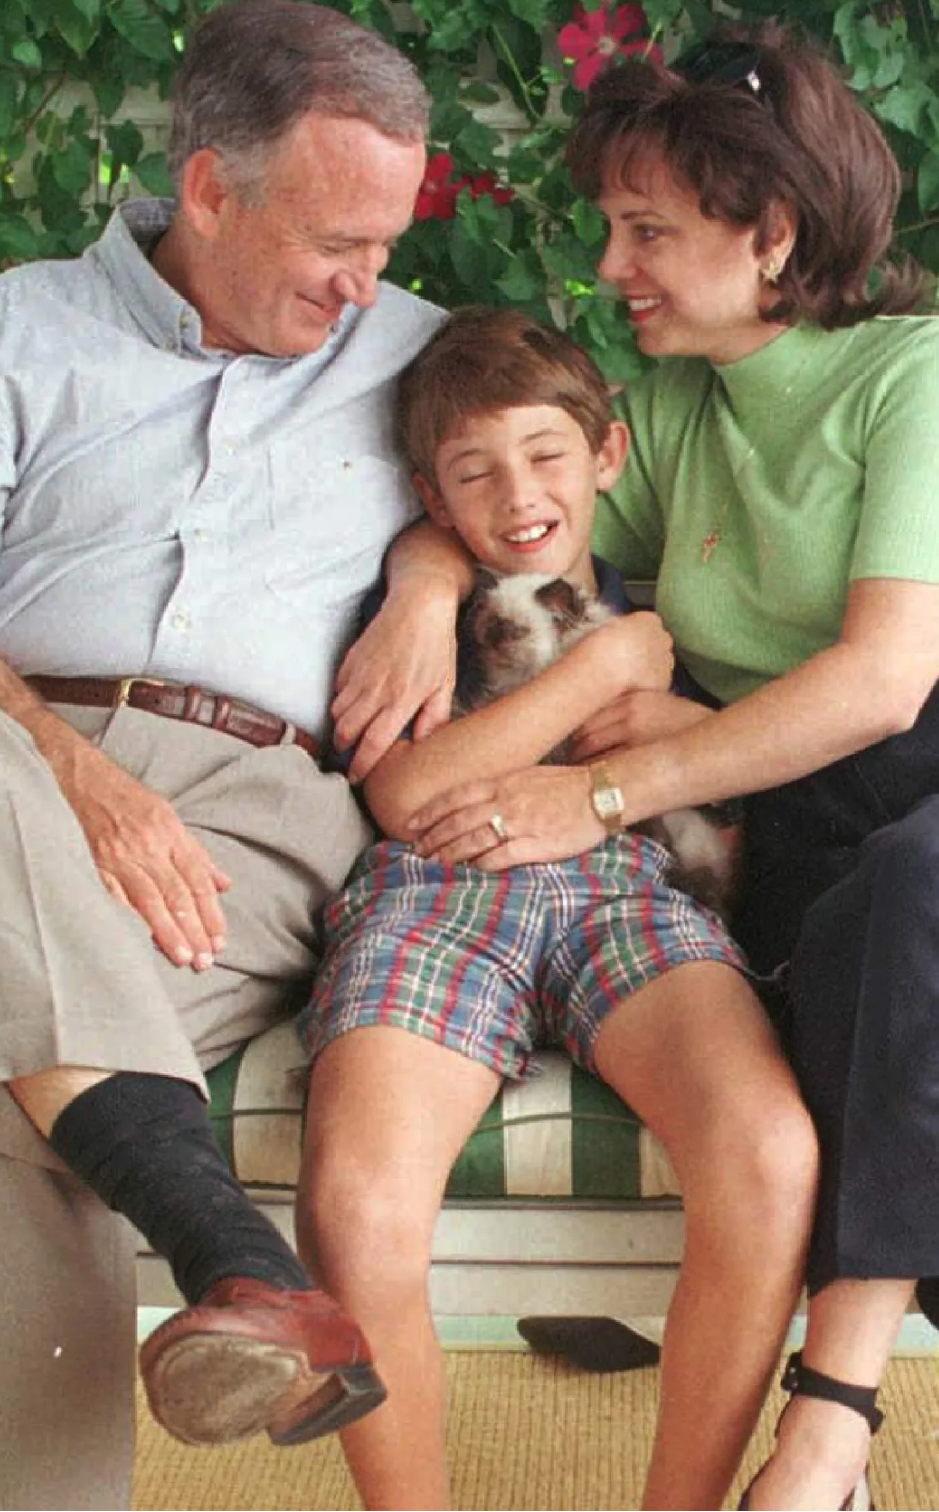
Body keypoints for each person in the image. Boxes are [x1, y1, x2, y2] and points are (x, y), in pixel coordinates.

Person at [336, 23, 939, 1512]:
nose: (615, 268)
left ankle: (831, 1420)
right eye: (616, 229)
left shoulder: (924, 371)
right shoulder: (669, 411)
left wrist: (606, 791)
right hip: (831, 844)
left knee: (923, 891)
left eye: (649, 232)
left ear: (773, 231)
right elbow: (520, 502)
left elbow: (882, 685)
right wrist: (426, 581)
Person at [0, 3, 450, 1506]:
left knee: (8, 1088)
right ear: (213, 188)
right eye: (335, 242)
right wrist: (74, 779)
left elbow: (546, 493)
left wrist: (427, 573)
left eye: (388, 245)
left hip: (249, 828)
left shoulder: (419, 356)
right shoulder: (1, 333)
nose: (368, 286)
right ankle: (230, 1250)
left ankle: (237, 1276)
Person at [294, 304, 817, 1512]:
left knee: (769, 1150)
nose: (515, 494)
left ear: (607, 456)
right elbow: (410, 794)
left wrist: (635, 656)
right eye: (472, 473)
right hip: (441, 890)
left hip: (629, 889)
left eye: (543, 455)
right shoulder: (421, 619)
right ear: (431, 497)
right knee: (357, 1198)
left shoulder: (675, 589)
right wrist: (600, 663)